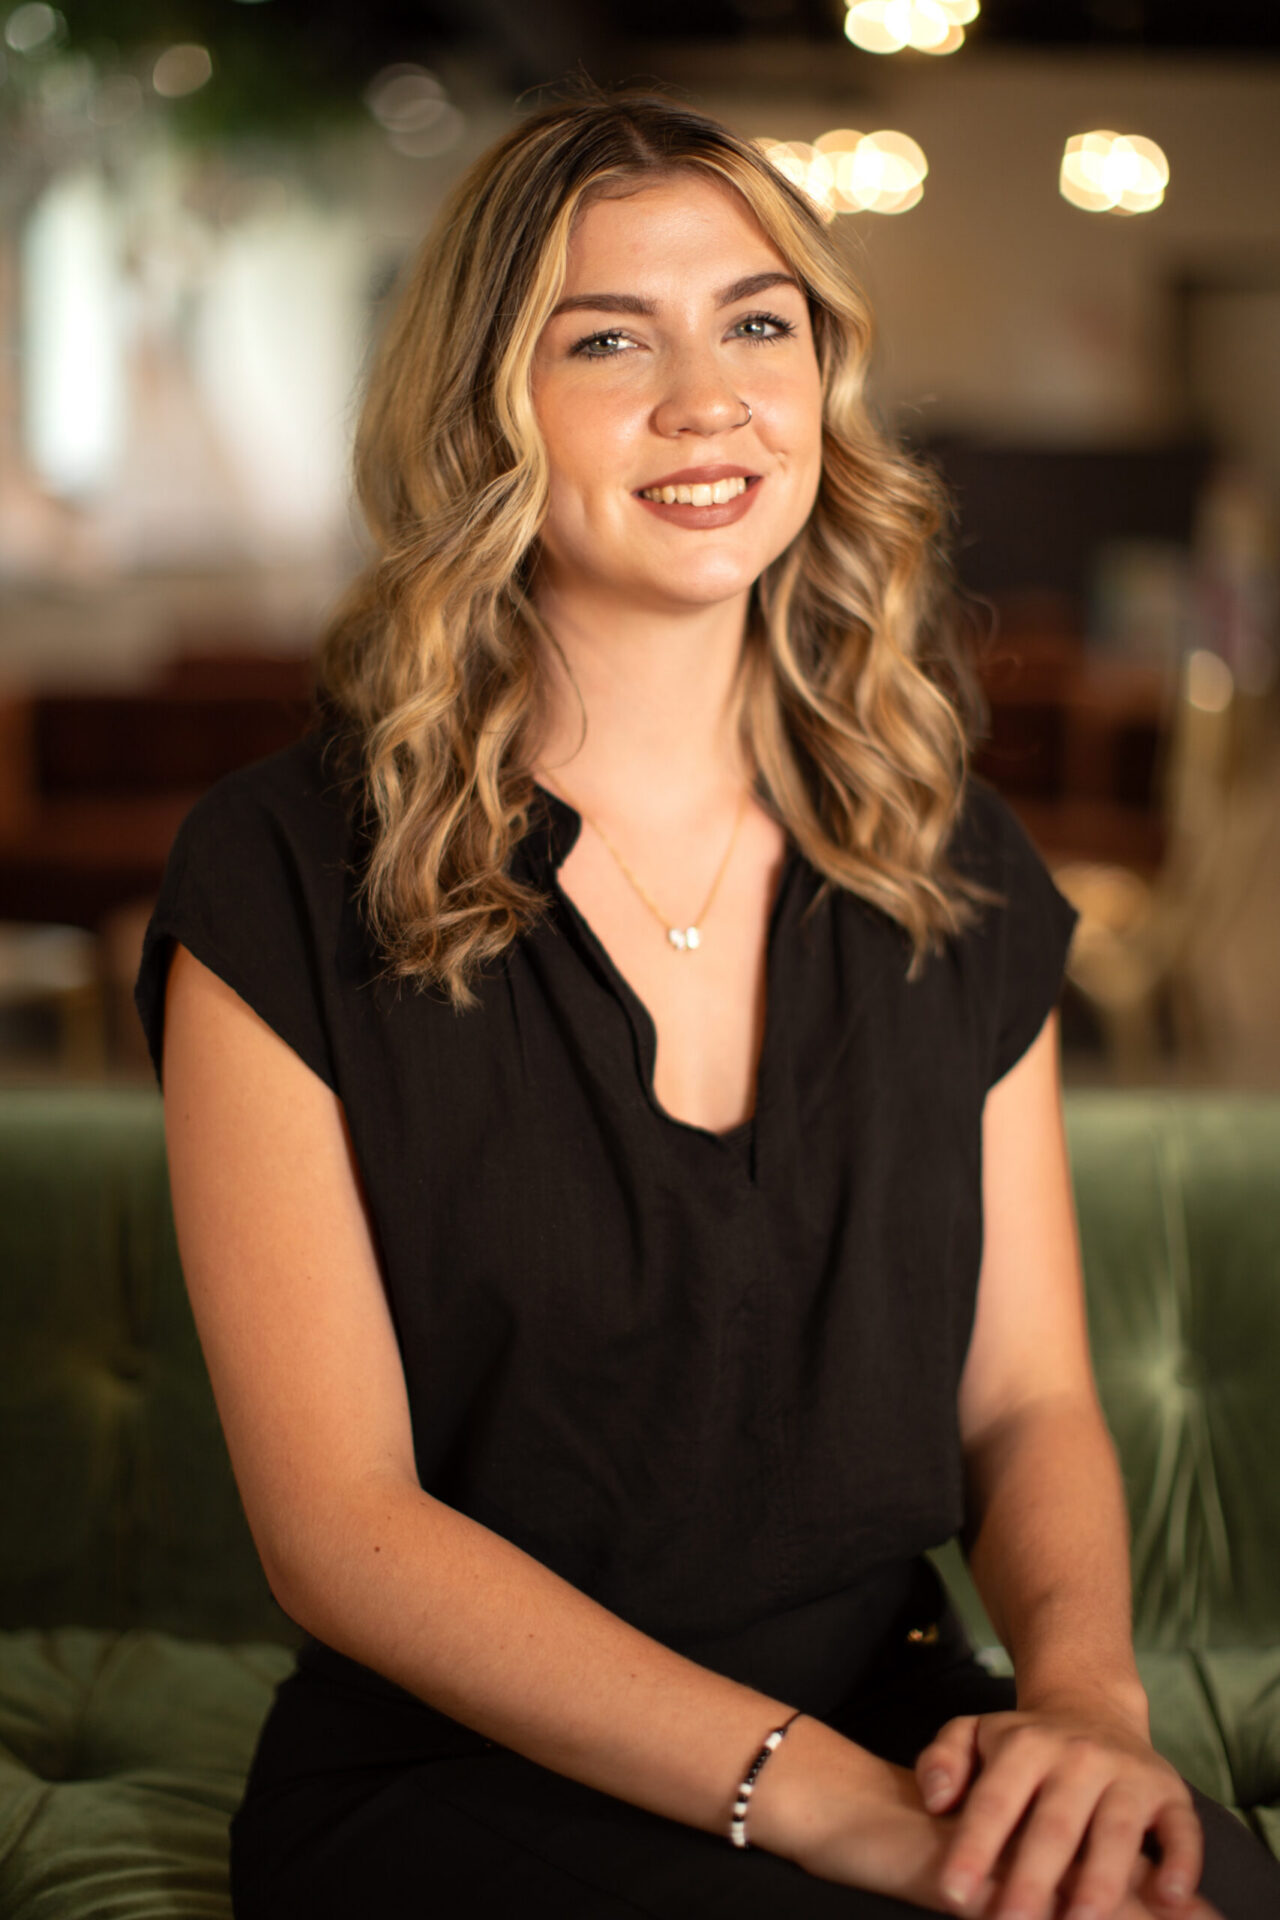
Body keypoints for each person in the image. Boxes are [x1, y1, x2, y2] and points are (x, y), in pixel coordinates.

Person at [135, 89, 1280, 1920]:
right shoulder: (282, 875)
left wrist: (1080, 1710)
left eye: (760, 324)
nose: (710, 399)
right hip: (465, 1773)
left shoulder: (949, 861)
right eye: (609, 341)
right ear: (485, 412)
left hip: (897, 1708)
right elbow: (343, 1532)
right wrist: (829, 1809)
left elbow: (1028, 1399)